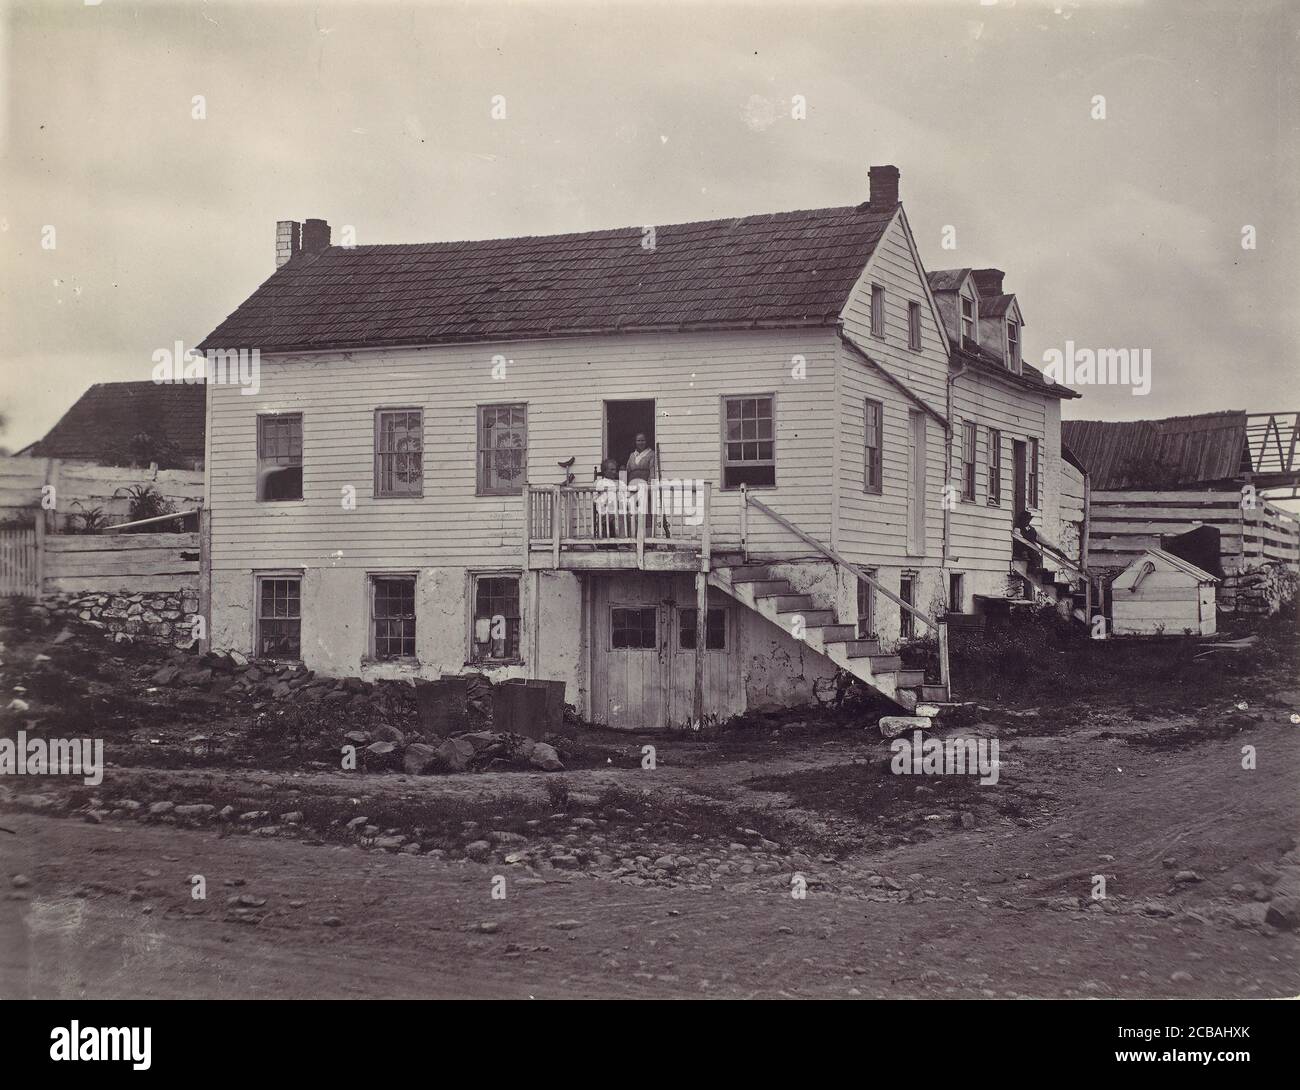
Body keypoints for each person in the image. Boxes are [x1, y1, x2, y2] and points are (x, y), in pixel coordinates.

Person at [626, 432, 656, 538]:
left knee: (645, 510)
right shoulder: (631, 455)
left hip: (644, 486)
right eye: (638, 440)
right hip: (632, 485)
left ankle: (646, 538)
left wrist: (648, 486)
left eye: (643, 440)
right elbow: (628, 470)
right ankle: (633, 536)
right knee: (633, 510)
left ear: (646, 441)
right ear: (635, 442)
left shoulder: (651, 454)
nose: (640, 443)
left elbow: (652, 471)